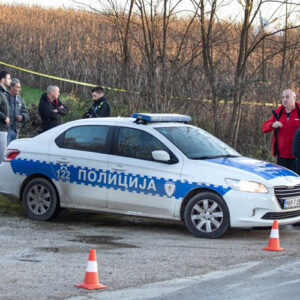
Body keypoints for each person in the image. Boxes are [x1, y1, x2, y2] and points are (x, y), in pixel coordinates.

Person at [262, 89, 300, 172]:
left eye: (287, 97)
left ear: (294, 98)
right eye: (283, 97)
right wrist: (272, 125)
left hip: (297, 157)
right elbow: (264, 128)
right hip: (281, 156)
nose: (284, 99)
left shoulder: (299, 111)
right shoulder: (278, 113)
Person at [6, 78, 29, 144]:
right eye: (18, 87)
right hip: (5, 130)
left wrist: (22, 117)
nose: (20, 89)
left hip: (16, 131)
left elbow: (26, 112)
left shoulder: (19, 98)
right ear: (11, 87)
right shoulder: (3, 96)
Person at [0, 90, 10, 163]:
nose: (10, 80)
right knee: (2, 155)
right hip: (1, 129)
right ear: (3, 79)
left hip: (5, 129)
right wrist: (4, 117)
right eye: (9, 78)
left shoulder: (4, 93)